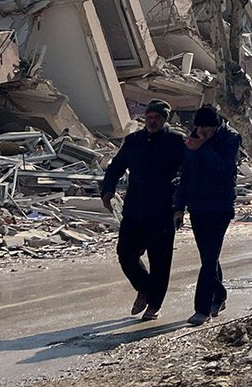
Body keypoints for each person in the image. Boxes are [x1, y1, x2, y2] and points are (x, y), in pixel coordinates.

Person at [101, 99, 185, 321]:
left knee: (160, 261)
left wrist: (180, 206)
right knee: (125, 254)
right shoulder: (133, 141)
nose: (152, 121)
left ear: (164, 119)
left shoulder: (176, 142)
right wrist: (107, 191)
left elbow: (189, 175)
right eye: (149, 117)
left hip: (163, 210)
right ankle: (145, 288)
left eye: (156, 118)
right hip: (134, 210)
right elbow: (115, 168)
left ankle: (154, 305)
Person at [173, 104, 241, 326]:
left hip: (220, 206)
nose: (202, 132)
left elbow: (225, 168)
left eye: (206, 129)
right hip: (198, 206)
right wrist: (179, 207)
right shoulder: (192, 141)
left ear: (215, 126)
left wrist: (203, 147)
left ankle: (202, 308)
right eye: (199, 128)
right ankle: (219, 295)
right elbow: (186, 176)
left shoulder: (230, 139)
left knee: (210, 256)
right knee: (208, 257)